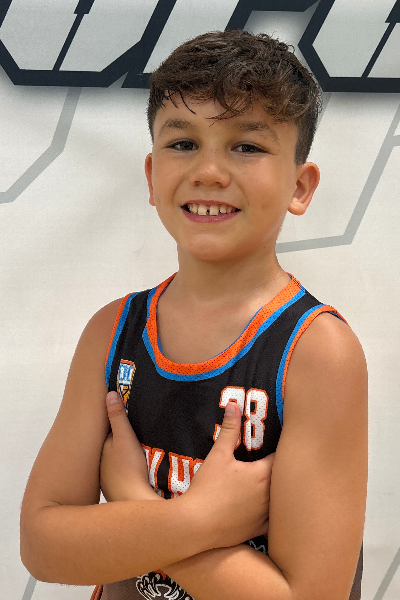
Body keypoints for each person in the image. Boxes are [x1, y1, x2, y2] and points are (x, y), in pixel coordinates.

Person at [20, 30, 368, 600]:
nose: (209, 171)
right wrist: (196, 520)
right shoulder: (112, 331)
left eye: (246, 147)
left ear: (300, 186)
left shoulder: (316, 352)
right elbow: (42, 546)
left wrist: (135, 505)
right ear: (152, 176)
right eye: (183, 143)